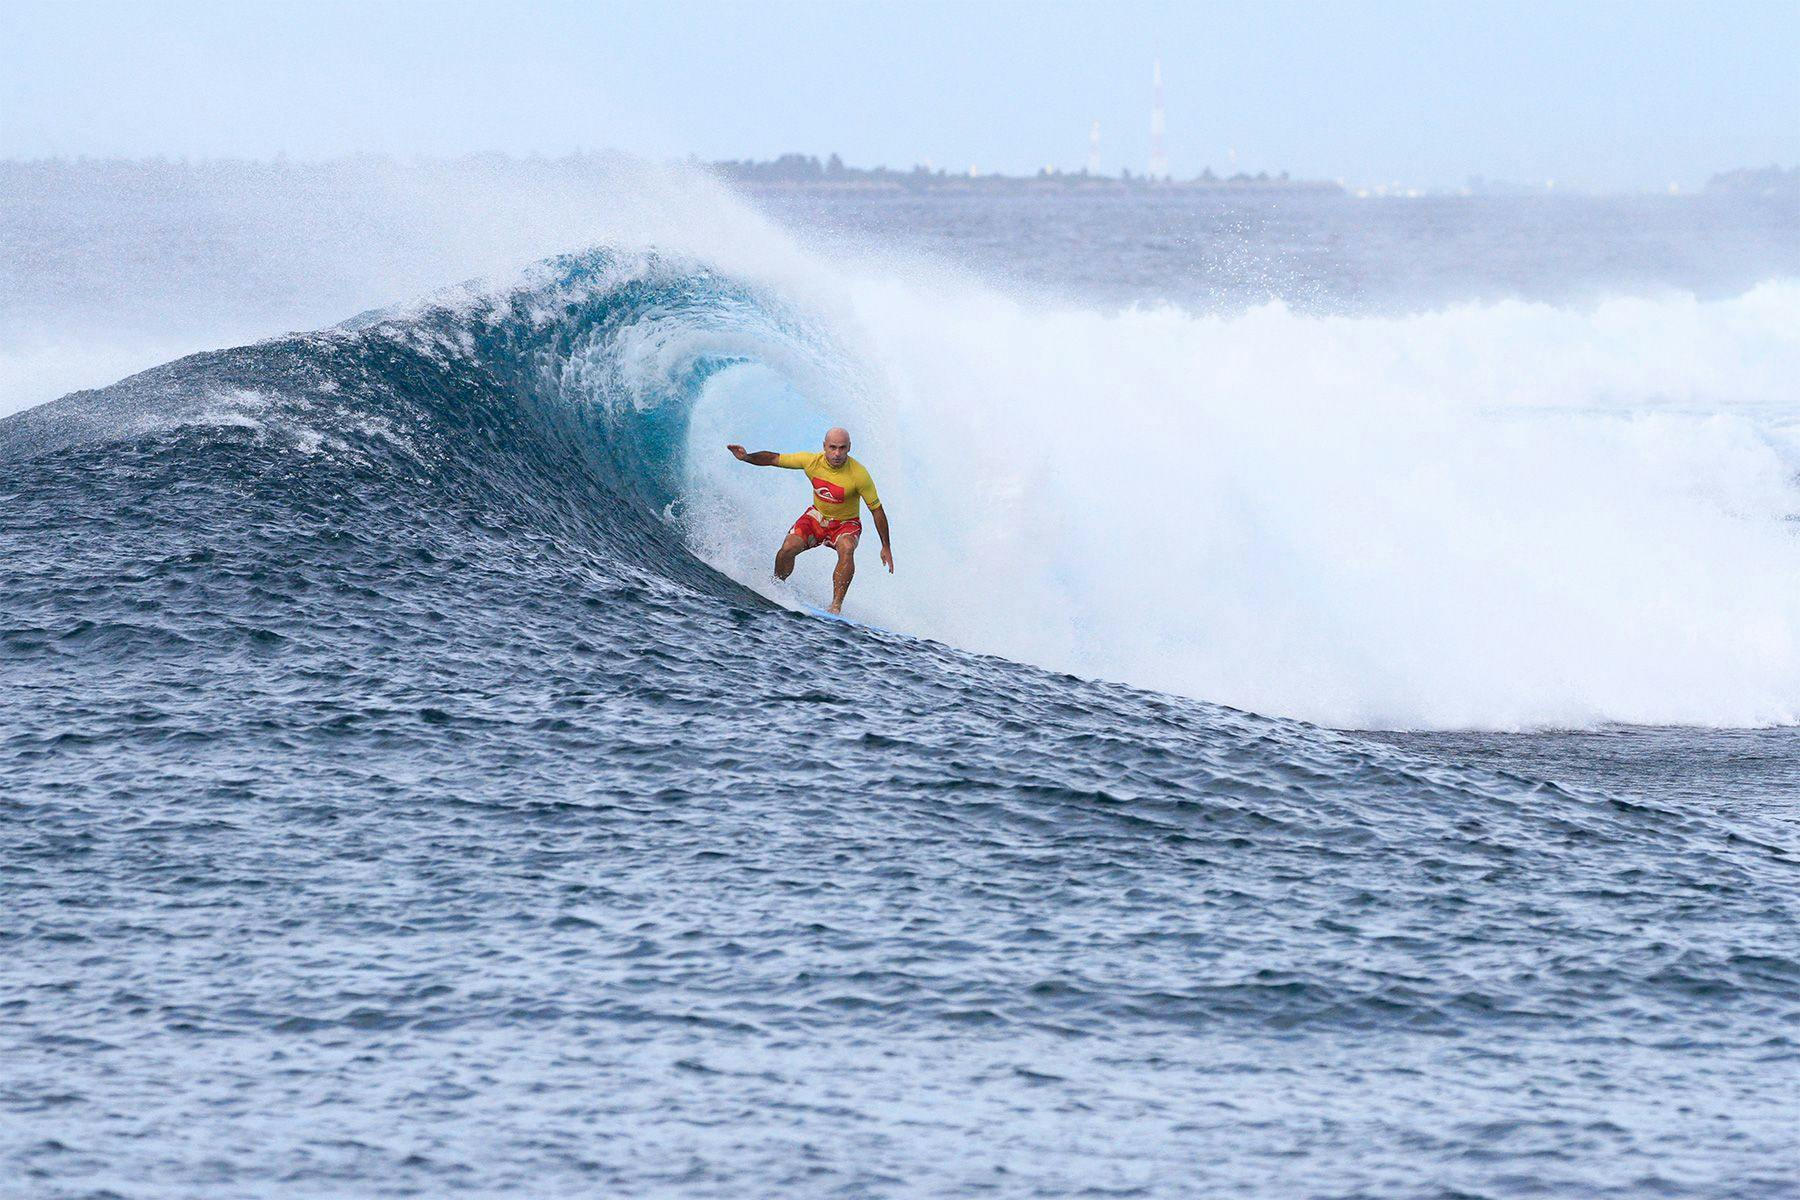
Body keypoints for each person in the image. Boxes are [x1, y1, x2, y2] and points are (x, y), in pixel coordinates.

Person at [726, 427, 893, 614]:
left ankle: (836, 606)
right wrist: (747, 457)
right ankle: (775, 585)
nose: (837, 453)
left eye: (842, 448)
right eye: (832, 447)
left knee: (846, 548)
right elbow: (773, 458)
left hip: (846, 523)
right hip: (817, 517)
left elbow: (876, 510)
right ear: (824, 446)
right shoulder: (811, 462)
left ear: (849, 448)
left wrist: (885, 546)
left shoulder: (859, 474)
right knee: (788, 547)